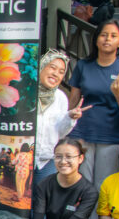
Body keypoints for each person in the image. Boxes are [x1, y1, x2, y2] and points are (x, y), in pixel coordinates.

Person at [67, 18, 119, 219]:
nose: (107, 39)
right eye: (103, 35)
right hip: (82, 133)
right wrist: (68, 122)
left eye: (113, 36)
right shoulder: (83, 66)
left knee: (103, 186)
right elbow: (74, 99)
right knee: (83, 184)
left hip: (111, 136)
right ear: (96, 39)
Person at [35, 50, 84, 182]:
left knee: (45, 193)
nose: (56, 74)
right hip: (25, 157)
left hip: (47, 160)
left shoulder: (60, 97)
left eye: (61, 72)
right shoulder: (25, 92)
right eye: (52, 67)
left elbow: (61, 133)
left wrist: (70, 117)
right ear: (41, 66)